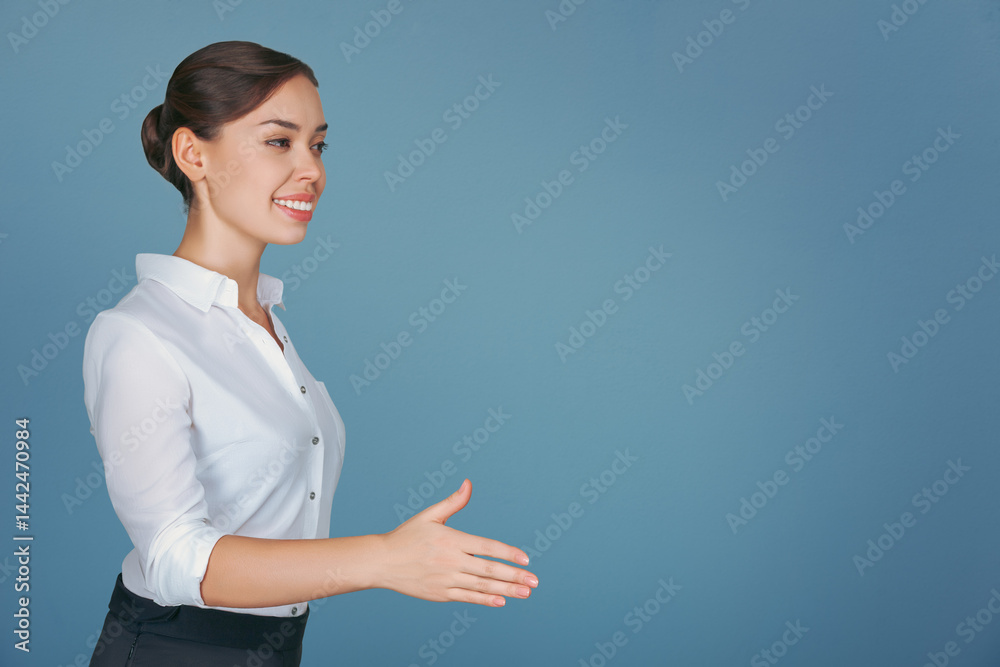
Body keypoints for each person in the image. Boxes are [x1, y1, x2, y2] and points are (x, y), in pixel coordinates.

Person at [82, 40, 538, 666]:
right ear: (193, 154)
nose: (312, 170)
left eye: (318, 146)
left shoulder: (265, 322)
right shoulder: (139, 334)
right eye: (279, 141)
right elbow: (173, 557)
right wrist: (384, 559)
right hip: (175, 648)